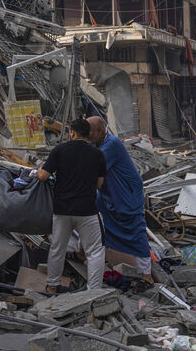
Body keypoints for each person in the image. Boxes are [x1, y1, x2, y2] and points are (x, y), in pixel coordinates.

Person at [35, 119, 106, 293]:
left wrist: (38, 169)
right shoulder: (97, 154)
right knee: (95, 251)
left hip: (62, 210)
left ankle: (52, 286)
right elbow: (99, 185)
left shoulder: (59, 151)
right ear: (88, 134)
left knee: (58, 248)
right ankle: (94, 291)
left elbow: (43, 176)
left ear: (72, 133)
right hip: (87, 210)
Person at [87, 117, 154, 287]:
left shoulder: (111, 145)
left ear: (99, 132)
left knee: (135, 229)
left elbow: (92, 166)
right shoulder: (96, 145)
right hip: (109, 194)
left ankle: (146, 274)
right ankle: (86, 252)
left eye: (89, 132)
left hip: (127, 194)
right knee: (96, 221)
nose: (87, 136)